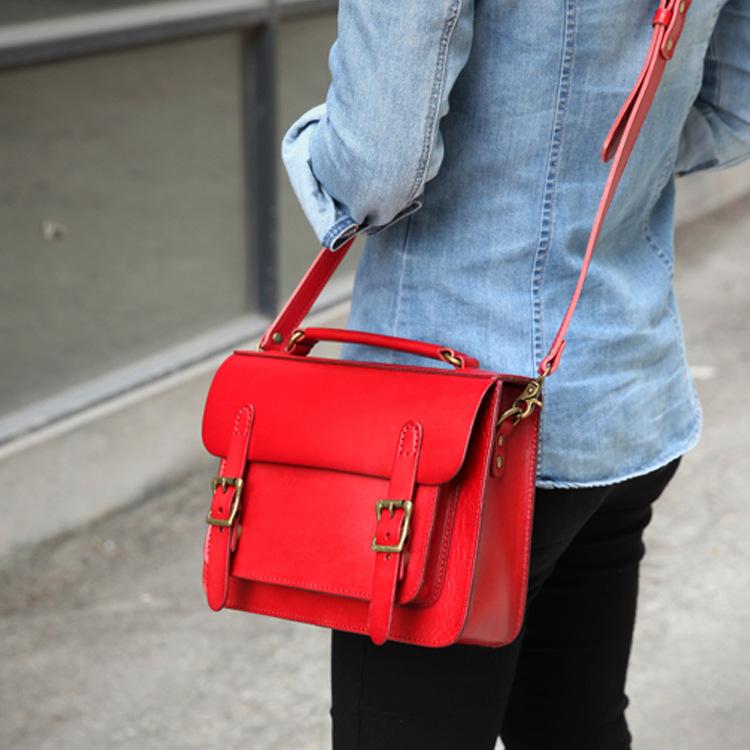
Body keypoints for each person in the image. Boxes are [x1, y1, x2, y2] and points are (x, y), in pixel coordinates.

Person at [280, 2, 750, 748]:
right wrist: (594, 170)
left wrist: (309, 144)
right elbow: (733, 110)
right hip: (621, 391)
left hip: (451, 442)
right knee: (575, 728)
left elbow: (376, 171)